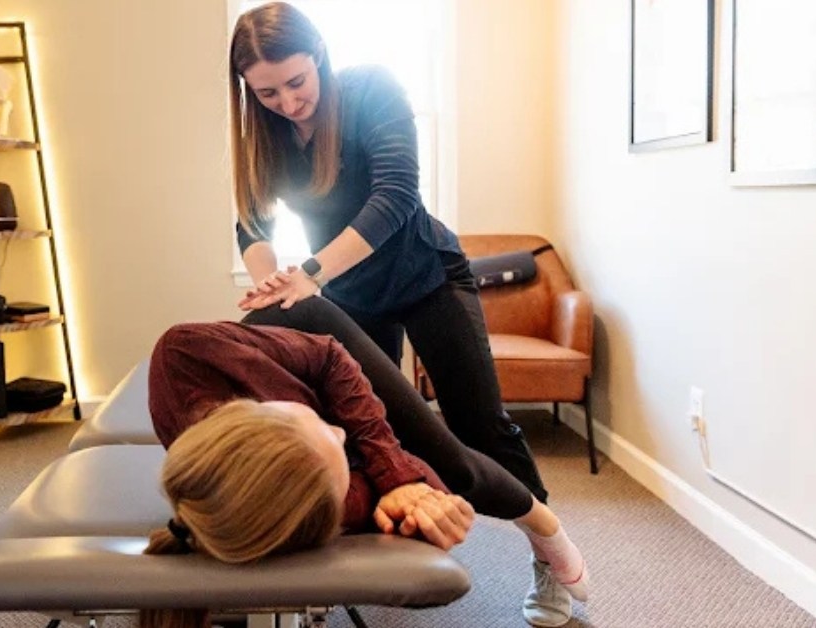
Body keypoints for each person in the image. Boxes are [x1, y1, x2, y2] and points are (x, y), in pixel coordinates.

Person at [227, 4, 575, 624]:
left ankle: (546, 549)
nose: (287, 101)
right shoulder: (267, 130)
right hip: (350, 292)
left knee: (478, 427)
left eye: (297, 82)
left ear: (320, 58)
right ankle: (388, 544)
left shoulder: (370, 91)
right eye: (268, 91)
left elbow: (394, 198)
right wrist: (269, 285)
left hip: (426, 275)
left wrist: (308, 274)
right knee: (374, 425)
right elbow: (250, 220)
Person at [142, 321, 588, 628]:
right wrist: (422, 505)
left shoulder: (184, 353)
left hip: (306, 333)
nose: (339, 430)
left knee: (452, 455)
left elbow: (330, 354)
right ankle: (545, 533)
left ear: (257, 410)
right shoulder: (330, 504)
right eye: (339, 446)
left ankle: (545, 527)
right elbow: (419, 500)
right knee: (442, 470)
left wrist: (394, 474)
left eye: (319, 426)